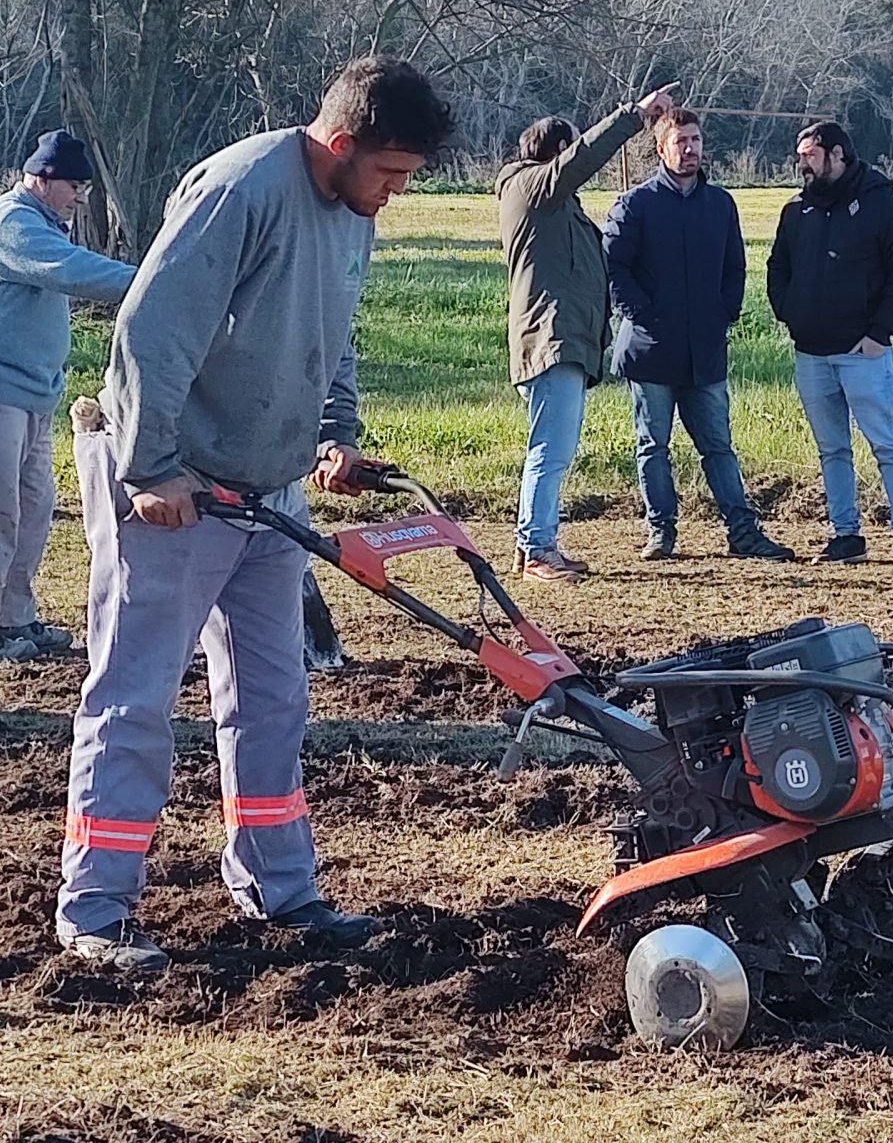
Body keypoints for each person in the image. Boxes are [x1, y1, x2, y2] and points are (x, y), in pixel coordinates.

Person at [58, 56, 452, 971]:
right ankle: (94, 909)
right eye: (390, 174)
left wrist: (335, 436)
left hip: (268, 496)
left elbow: (331, 332)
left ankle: (279, 890)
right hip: (176, 494)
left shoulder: (353, 214)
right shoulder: (241, 188)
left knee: (274, 701)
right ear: (342, 142)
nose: (393, 196)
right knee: (134, 698)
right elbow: (150, 330)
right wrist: (150, 468)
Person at [0, 131, 137, 664]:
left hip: (31, 395)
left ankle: (14, 618)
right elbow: (74, 272)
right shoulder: (13, 223)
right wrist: (151, 282)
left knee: (32, 509)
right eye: (75, 186)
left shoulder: (44, 223)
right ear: (42, 180)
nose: (81, 197)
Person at [494, 85, 676, 582]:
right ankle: (536, 550)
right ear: (557, 152)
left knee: (551, 448)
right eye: (570, 149)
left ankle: (531, 542)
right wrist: (633, 117)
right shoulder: (532, 189)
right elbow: (585, 156)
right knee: (550, 451)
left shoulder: (554, 207)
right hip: (551, 341)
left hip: (565, 341)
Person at [604, 109, 795, 563]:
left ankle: (743, 533)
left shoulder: (720, 204)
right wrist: (642, 315)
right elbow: (613, 268)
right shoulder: (635, 205)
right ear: (661, 148)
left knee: (719, 447)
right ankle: (661, 532)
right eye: (680, 142)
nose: (689, 149)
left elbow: (735, 266)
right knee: (654, 446)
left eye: (695, 140)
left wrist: (724, 311)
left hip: (705, 350)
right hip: (651, 351)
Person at [768, 120, 893, 567]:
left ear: (837, 155)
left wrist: (879, 334)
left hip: (863, 352)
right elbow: (778, 268)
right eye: (800, 155)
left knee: (886, 444)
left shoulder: (884, 205)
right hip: (811, 353)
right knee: (831, 449)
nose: (802, 162)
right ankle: (845, 536)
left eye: (810, 155)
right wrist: (790, 313)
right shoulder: (795, 211)